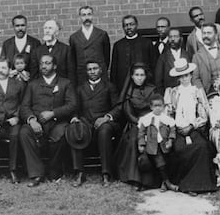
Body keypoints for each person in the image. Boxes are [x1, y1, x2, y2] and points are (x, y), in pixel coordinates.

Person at [19, 54, 77, 187]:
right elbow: (24, 107)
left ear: (55, 66)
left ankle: (54, 171)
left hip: (57, 121)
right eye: (41, 63)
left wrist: (53, 113)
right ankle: (37, 173)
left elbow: (72, 104)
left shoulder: (65, 83)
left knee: (61, 134)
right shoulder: (33, 84)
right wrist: (32, 120)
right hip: (37, 123)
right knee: (24, 132)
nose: (43, 66)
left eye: (47, 63)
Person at [163, 58, 218, 193]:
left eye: (186, 75)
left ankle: (197, 184)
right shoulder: (172, 92)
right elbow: (167, 114)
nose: (184, 78)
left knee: (201, 146)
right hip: (177, 129)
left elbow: (204, 114)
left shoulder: (197, 91)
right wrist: (175, 127)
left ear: (191, 75)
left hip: (194, 128)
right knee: (180, 148)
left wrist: (192, 126)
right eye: (181, 76)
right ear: (178, 78)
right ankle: (182, 182)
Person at [69, 60, 121, 187]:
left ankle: (106, 173)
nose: (92, 71)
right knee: (75, 129)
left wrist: (106, 118)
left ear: (101, 70)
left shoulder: (109, 86)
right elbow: (75, 107)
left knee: (104, 131)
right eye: (89, 69)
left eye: (95, 68)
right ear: (86, 72)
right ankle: (79, 172)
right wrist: (75, 117)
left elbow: (118, 107)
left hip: (105, 122)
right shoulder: (80, 88)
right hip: (86, 121)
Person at [113, 63, 161, 191]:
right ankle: (135, 179)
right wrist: (140, 123)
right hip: (136, 123)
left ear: (146, 76)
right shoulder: (128, 92)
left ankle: (150, 181)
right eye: (137, 75)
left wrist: (149, 122)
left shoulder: (152, 89)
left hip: (152, 122)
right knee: (134, 140)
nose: (139, 78)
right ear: (132, 77)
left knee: (153, 139)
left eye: (142, 75)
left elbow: (157, 108)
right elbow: (128, 113)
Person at [137, 94, 178, 192]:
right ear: (151, 107)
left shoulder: (167, 119)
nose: (158, 108)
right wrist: (141, 144)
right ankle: (168, 183)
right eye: (155, 106)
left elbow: (172, 130)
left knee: (168, 161)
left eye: (160, 106)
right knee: (160, 161)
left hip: (164, 145)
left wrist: (170, 140)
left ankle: (164, 183)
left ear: (163, 107)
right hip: (152, 145)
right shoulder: (146, 119)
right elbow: (141, 133)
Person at [111, 15, 156, 94]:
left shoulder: (146, 43)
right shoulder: (118, 45)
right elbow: (114, 69)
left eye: (131, 24)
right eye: (126, 25)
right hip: (123, 87)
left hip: (144, 87)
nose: (129, 27)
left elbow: (153, 65)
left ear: (136, 25)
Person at [69, 6, 111, 85]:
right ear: (80, 17)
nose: (86, 17)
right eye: (83, 15)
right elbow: (73, 60)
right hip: (82, 76)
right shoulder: (74, 37)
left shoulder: (102, 34)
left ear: (92, 16)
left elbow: (106, 57)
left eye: (89, 14)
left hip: (99, 75)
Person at [191, 23, 220, 95]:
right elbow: (195, 79)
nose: (206, 36)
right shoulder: (197, 56)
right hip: (209, 93)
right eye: (204, 33)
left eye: (209, 33)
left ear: (216, 36)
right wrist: (202, 95)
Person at [154, 27, 191, 93]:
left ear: (181, 39)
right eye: (170, 37)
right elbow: (158, 81)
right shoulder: (163, 57)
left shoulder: (188, 55)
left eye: (175, 36)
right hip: (170, 94)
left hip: (187, 92)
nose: (172, 39)